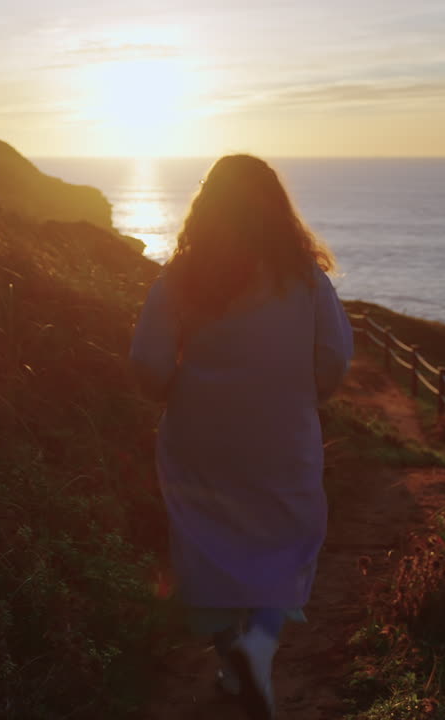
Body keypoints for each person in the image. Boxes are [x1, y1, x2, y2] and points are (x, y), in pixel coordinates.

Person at [129, 155, 354, 719]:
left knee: (206, 542)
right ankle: (259, 645)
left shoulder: (181, 279)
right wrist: (306, 395)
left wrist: (175, 389)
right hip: (282, 434)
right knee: (285, 540)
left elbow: (148, 363)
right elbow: (335, 357)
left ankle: (232, 660)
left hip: (199, 435)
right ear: (276, 209)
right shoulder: (306, 281)